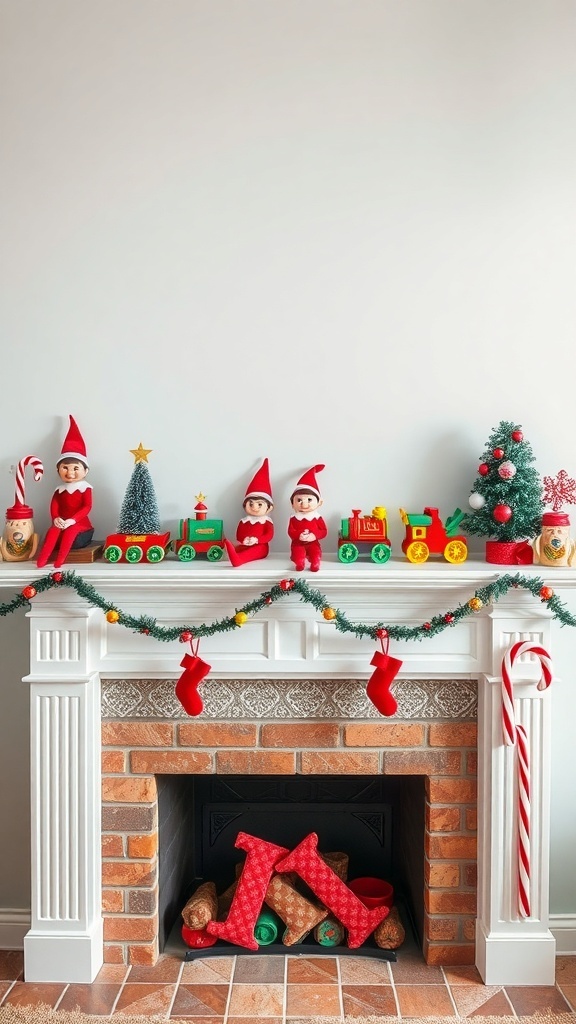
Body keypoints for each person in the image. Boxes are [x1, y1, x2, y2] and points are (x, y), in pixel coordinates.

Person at [36, 416, 94, 569]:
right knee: (53, 532)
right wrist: (55, 518)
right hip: (61, 520)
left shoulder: (85, 488)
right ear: (58, 470)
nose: (70, 472)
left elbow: (87, 507)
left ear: (85, 471)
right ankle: (42, 560)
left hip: (79, 523)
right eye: (65, 468)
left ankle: (60, 560)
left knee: (70, 532)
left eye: (75, 468)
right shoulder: (60, 489)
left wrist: (72, 520)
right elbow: (54, 504)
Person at [224, 459, 274, 566]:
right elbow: (239, 535)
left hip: (261, 546)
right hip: (245, 544)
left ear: (269, 508)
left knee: (255, 551)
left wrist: (257, 540)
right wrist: (244, 539)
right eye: (250, 504)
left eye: (259, 504)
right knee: (240, 548)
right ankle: (232, 552)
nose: (254, 507)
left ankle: (239, 560)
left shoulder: (266, 521)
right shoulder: (244, 521)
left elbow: (269, 535)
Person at [287, 464, 327, 572]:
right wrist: (298, 535)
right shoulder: (294, 518)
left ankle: (315, 563)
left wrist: (314, 535)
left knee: (315, 552)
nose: (304, 504)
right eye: (299, 500)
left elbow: (324, 531)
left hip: (313, 543)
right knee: (298, 554)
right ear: (292, 504)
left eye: (309, 500)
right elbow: (290, 531)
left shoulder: (317, 517)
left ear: (319, 503)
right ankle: (299, 563)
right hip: (297, 543)